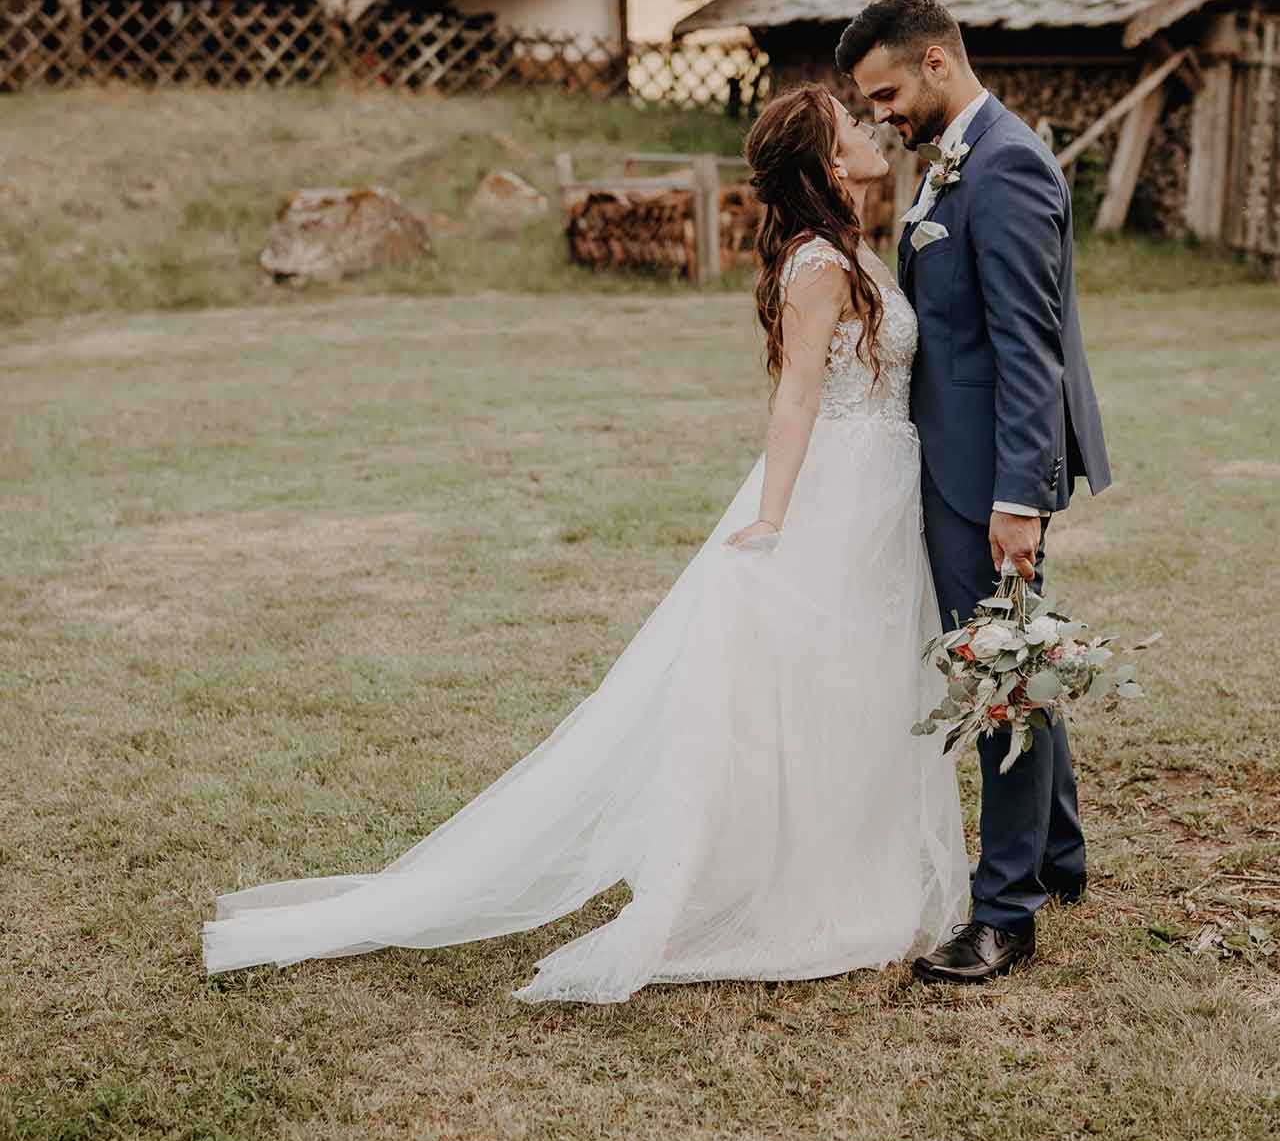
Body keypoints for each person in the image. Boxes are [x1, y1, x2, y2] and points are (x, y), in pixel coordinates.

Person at [202, 85, 969, 1000]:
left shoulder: (849, 248)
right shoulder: (819, 264)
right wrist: (771, 518)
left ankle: (852, 858)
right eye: (851, 124)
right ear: (829, 163)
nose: (871, 126)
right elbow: (797, 397)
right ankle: (802, 884)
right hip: (836, 493)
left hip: (881, 490)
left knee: (864, 683)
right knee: (824, 686)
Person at [838, 0, 1111, 985]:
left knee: (997, 677)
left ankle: (1003, 913)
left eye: (885, 93)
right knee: (1016, 654)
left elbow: (1029, 351)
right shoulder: (953, 159)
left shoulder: (1006, 167)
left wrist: (1017, 499)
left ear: (936, 63)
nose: (878, 117)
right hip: (952, 460)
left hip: (984, 475)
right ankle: (1056, 855)